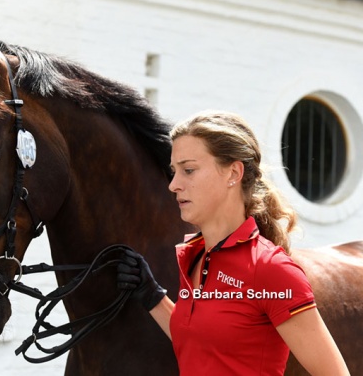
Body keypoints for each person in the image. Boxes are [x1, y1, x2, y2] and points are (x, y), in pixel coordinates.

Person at [117, 110, 349, 375]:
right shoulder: (195, 259)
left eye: (188, 170)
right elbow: (206, 343)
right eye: (174, 172)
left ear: (233, 173)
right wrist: (152, 296)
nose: (174, 185)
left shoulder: (271, 269)